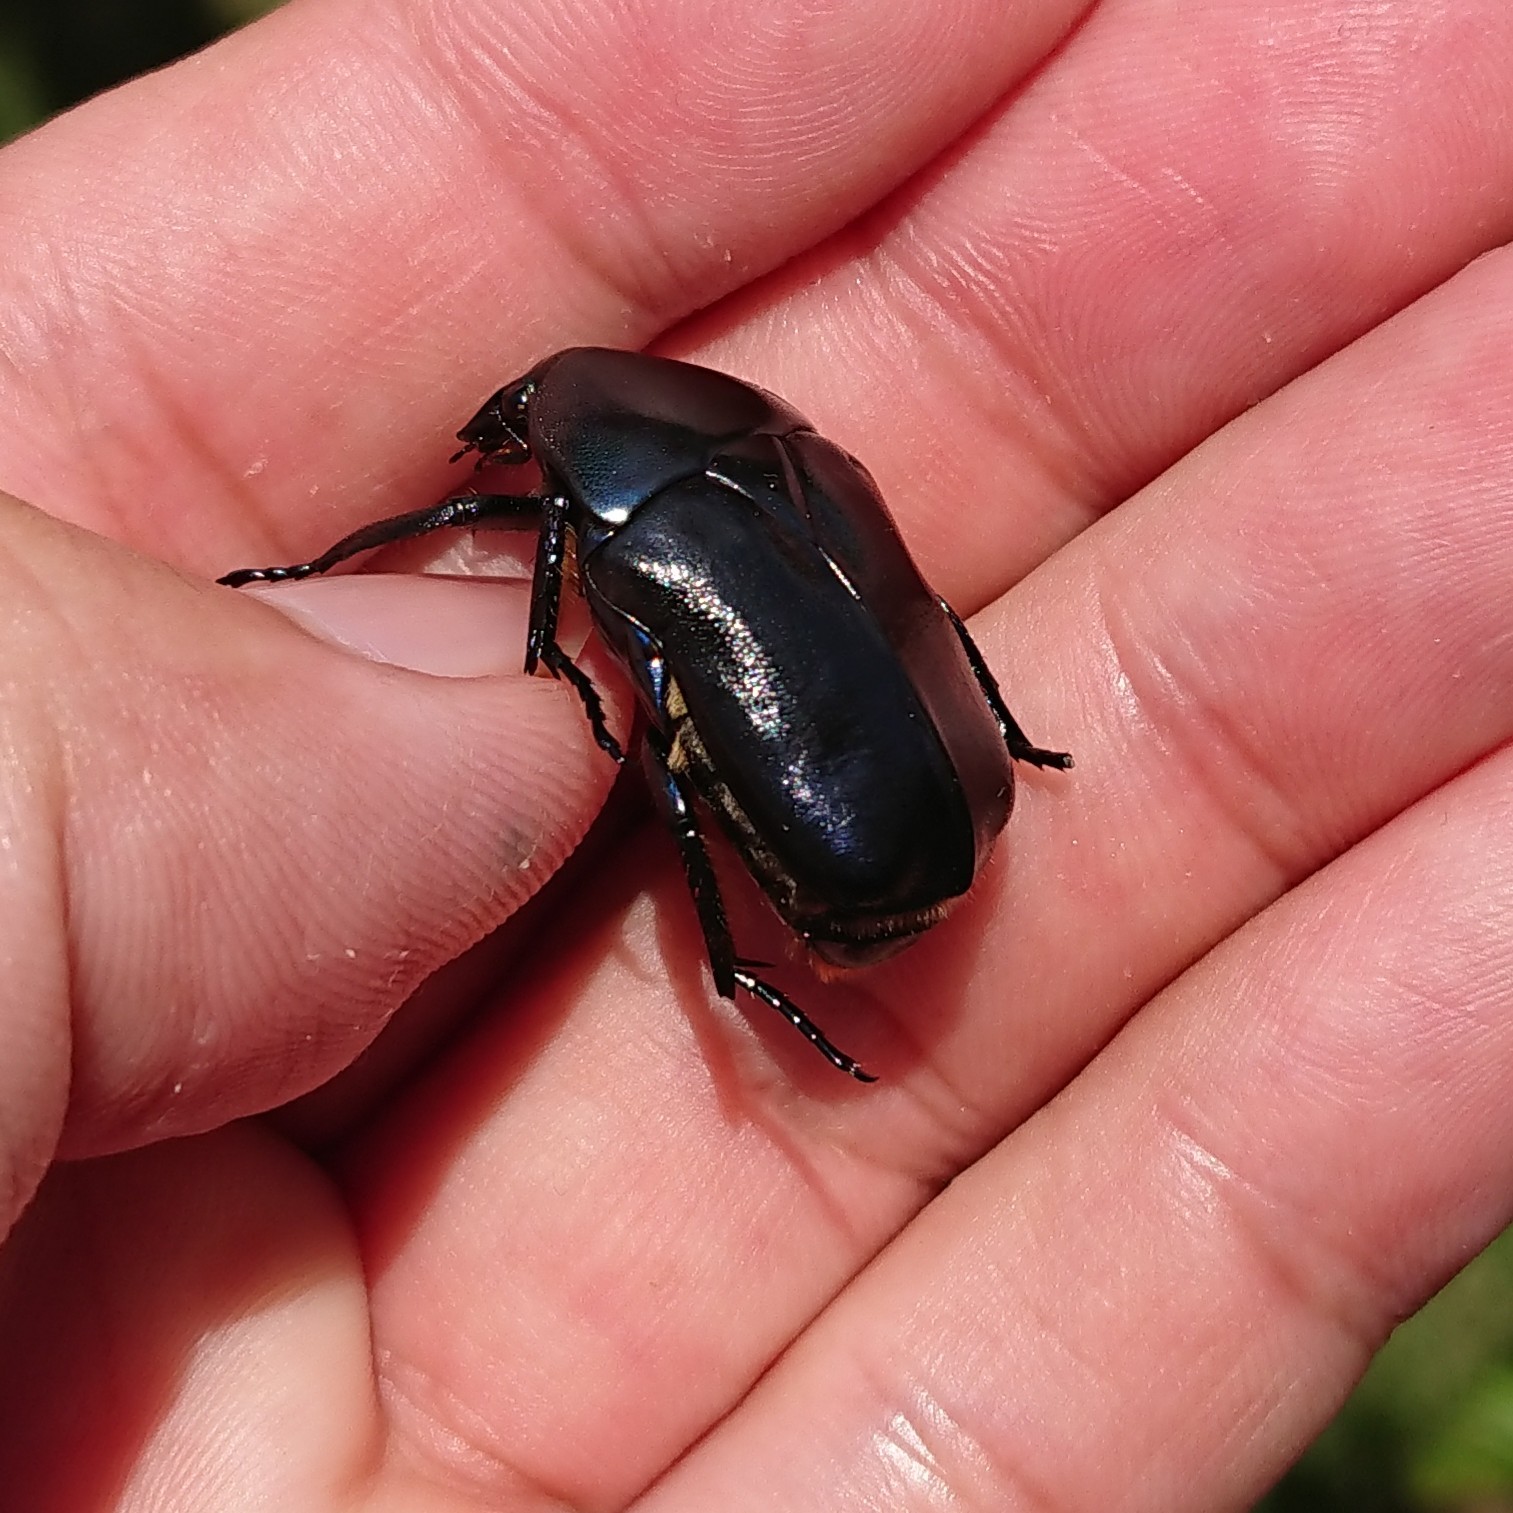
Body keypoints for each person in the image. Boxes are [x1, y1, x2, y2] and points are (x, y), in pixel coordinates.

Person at [0, 0, 1509, 1506]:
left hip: (848, 835)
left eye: (530, 427)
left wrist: (483, 639)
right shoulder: (788, 456)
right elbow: (920, 615)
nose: (513, 446)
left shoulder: (617, 515)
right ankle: (850, 887)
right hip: (922, 794)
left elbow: (500, 553)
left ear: (570, 446)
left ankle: (739, 969)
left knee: (663, 778)